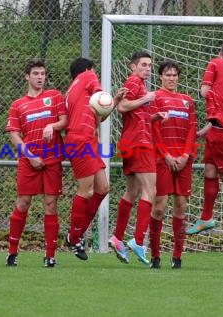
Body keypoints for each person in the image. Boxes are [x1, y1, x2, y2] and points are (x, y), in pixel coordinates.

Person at [5, 59, 67, 268]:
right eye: (36, 73)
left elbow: (64, 121)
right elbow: (14, 135)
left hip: (52, 159)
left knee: (50, 205)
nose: (40, 77)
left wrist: (52, 125)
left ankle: (50, 255)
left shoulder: (54, 96)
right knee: (23, 203)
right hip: (28, 159)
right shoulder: (18, 105)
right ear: (27, 76)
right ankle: (12, 252)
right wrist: (30, 155)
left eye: (42, 73)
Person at [63, 57, 126, 261]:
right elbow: (101, 96)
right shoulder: (88, 76)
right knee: (87, 190)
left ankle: (76, 235)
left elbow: (99, 116)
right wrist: (108, 97)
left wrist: (114, 102)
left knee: (102, 189)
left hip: (86, 138)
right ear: (87, 69)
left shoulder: (73, 91)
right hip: (81, 139)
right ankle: (74, 237)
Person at [187, 42, 223, 235]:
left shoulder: (215, 63)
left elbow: (204, 91)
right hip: (222, 130)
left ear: (220, 54)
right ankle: (206, 217)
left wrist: (207, 95)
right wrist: (203, 132)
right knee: (210, 171)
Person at [148, 61, 197, 269]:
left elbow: (192, 130)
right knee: (159, 208)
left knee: (181, 207)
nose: (172, 78)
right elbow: (153, 129)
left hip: (184, 160)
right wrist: (166, 154)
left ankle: (177, 257)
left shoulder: (187, 101)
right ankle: (155, 256)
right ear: (160, 77)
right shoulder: (155, 98)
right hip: (162, 159)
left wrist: (186, 154)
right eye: (168, 75)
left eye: (175, 75)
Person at [109, 51, 156, 265]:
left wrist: (153, 116)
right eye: (144, 65)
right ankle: (138, 241)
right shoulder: (134, 81)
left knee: (132, 191)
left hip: (130, 141)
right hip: (139, 143)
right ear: (133, 66)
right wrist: (146, 98)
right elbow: (122, 106)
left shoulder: (138, 83)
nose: (148, 69)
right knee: (150, 191)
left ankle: (117, 238)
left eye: (149, 65)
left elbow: (133, 113)